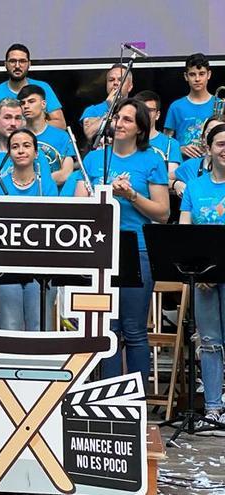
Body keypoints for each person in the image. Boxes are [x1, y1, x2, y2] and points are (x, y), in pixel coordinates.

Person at [75, 98, 169, 383]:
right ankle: (108, 393)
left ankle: (136, 397)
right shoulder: (94, 158)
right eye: (118, 117)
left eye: (128, 119)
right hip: (100, 250)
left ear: (141, 128)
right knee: (108, 329)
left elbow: (163, 212)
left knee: (134, 328)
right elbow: (79, 204)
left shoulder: (152, 159)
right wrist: (102, 195)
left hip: (137, 249)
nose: (120, 124)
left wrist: (131, 196)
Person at [178, 123, 225, 431]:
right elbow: (185, 231)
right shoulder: (195, 188)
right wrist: (201, 265)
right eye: (220, 143)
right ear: (209, 149)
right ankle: (212, 408)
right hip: (205, 276)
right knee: (209, 343)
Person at [0, 129, 58, 330]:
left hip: (41, 267)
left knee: (39, 326)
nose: (21, 151)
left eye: (27, 146)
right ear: (9, 153)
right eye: (15, 146)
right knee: (9, 327)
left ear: (36, 153)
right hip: (7, 267)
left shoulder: (46, 184)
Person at [0, 43, 65, 129]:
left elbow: (60, 124)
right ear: (5, 64)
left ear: (29, 64)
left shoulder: (43, 88)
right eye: (12, 61)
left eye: (22, 61)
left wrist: (29, 124)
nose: (17, 66)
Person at [17, 84, 76, 186]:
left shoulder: (62, 137)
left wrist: (35, 181)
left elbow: (66, 174)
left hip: (54, 198)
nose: (26, 106)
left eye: (31, 101)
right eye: (22, 103)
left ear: (43, 104)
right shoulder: (16, 137)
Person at [164, 53, 216, 158]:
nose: (197, 79)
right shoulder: (176, 107)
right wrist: (180, 149)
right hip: (184, 167)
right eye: (192, 74)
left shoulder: (219, 105)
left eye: (202, 74)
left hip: (213, 167)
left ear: (209, 75)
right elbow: (165, 142)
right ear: (186, 76)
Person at [135, 90, 182, 184]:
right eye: (141, 109)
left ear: (157, 115)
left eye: (149, 110)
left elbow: (171, 177)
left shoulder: (171, 144)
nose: (144, 113)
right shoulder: (126, 140)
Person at [173, 116, 225, 196]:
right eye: (211, 131)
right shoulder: (191, 165)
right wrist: (175, 184)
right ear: (203, 138)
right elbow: (163, 178)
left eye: (219, 131)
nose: (215, 135)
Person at [80, 64, 133, 142]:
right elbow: (89, 134)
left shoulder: (137, 109)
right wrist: (109, 109)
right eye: (111, 80)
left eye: (120, 80)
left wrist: (97, 121)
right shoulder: (92, 110)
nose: (115, 83)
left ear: (130, 87)